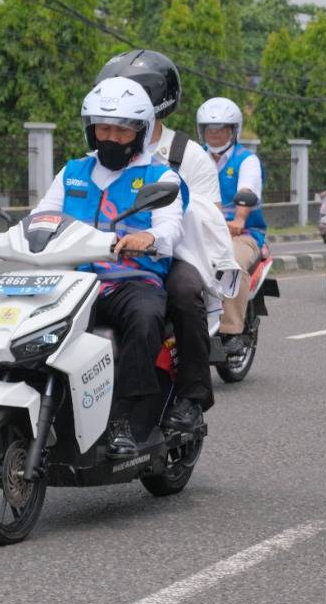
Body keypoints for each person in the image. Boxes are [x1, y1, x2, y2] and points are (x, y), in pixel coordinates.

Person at [0, 78, 188, 457]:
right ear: (91, 130)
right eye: (102, 128)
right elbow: (41, 216)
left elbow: (170, 228)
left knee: (145, 317)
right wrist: (3, 240)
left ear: (139, 133)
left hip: (129, 280)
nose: (110, 137)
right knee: (9, 321)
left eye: (121, 130)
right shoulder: (72, 171)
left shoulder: (160, 177)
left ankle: (127, 420)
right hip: (72, 281)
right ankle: (24, 410)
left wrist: (149, 239)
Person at [95, 49, 237, 433]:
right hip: (111, 255)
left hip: (176, 254)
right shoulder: (102, 151)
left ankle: (192, 398)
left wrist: (159, 229)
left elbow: (208, 219)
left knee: (184, 294)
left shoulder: (186, 155)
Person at [197, 97, 266, 357]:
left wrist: (238, 220)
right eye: (209, 130)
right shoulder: (195, 157)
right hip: (199, 232)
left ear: (233, 130)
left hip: (242, 234)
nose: (214, 135)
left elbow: (247, 190)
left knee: (232, 262)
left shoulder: (246, 160)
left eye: (221, 129)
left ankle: (231, 330)